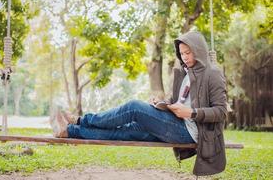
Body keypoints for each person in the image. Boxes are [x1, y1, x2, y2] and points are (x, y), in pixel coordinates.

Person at [50, 31, 227, 176]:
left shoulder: (213, 74)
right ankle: (69, 131)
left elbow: (221, 112)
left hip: (190, 132)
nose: (185, 57)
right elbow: (178, 102)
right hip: (175, 122)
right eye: (182, 53)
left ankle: (80, 120)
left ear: (199, 50)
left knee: (134, 107)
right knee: (125, 132)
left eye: (188, 52)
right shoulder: (186, 74)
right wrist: (163, 103)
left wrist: (191, 113)